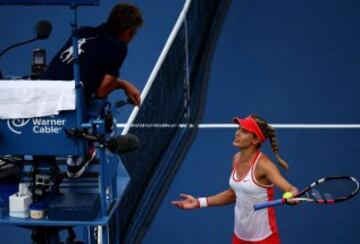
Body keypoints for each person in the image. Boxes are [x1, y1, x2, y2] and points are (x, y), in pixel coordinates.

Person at [40, 3, 144, 178]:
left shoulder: (83, 31)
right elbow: (103, 91)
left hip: (41, 95)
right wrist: (124, 85)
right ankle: (79, 153)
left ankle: (46, 158)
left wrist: (123, 83)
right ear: (127, 32)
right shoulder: (118, 47)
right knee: (100, 103)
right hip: (68, 104)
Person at [172, 114, 299, 244]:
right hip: (239, 237)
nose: (237, 133)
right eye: (238, 128)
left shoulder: (264, 166)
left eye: (244, 131)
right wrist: (198, 202)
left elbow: (291, 189)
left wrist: (292, 195)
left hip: (264, 239)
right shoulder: (237, 158)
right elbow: (233, 194)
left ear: (255, 140)